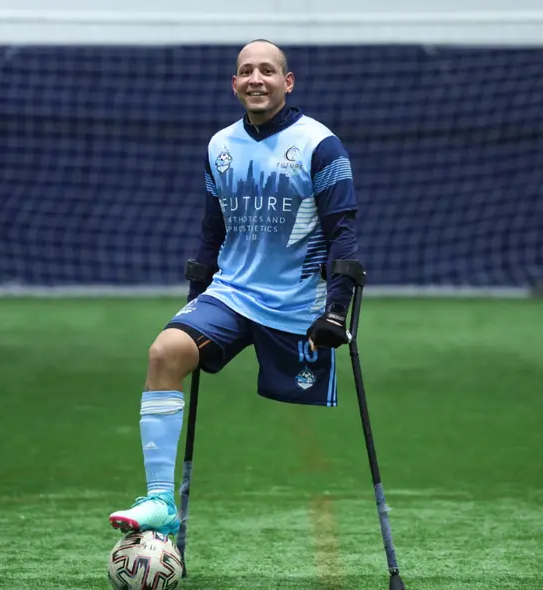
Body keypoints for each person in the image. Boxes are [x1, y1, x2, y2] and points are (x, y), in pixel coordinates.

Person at [108, 39, 360, 535]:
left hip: (295, 305)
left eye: (267, 71)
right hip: (231, 295)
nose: (256, 79)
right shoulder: (219, 146)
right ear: (234, 84)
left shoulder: (320, 144)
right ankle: (160, 501)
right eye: (246, 71)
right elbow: (212, 232)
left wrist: (337, 310)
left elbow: (343, 233)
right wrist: (194, 302)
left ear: (287, 82)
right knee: (164, 353)